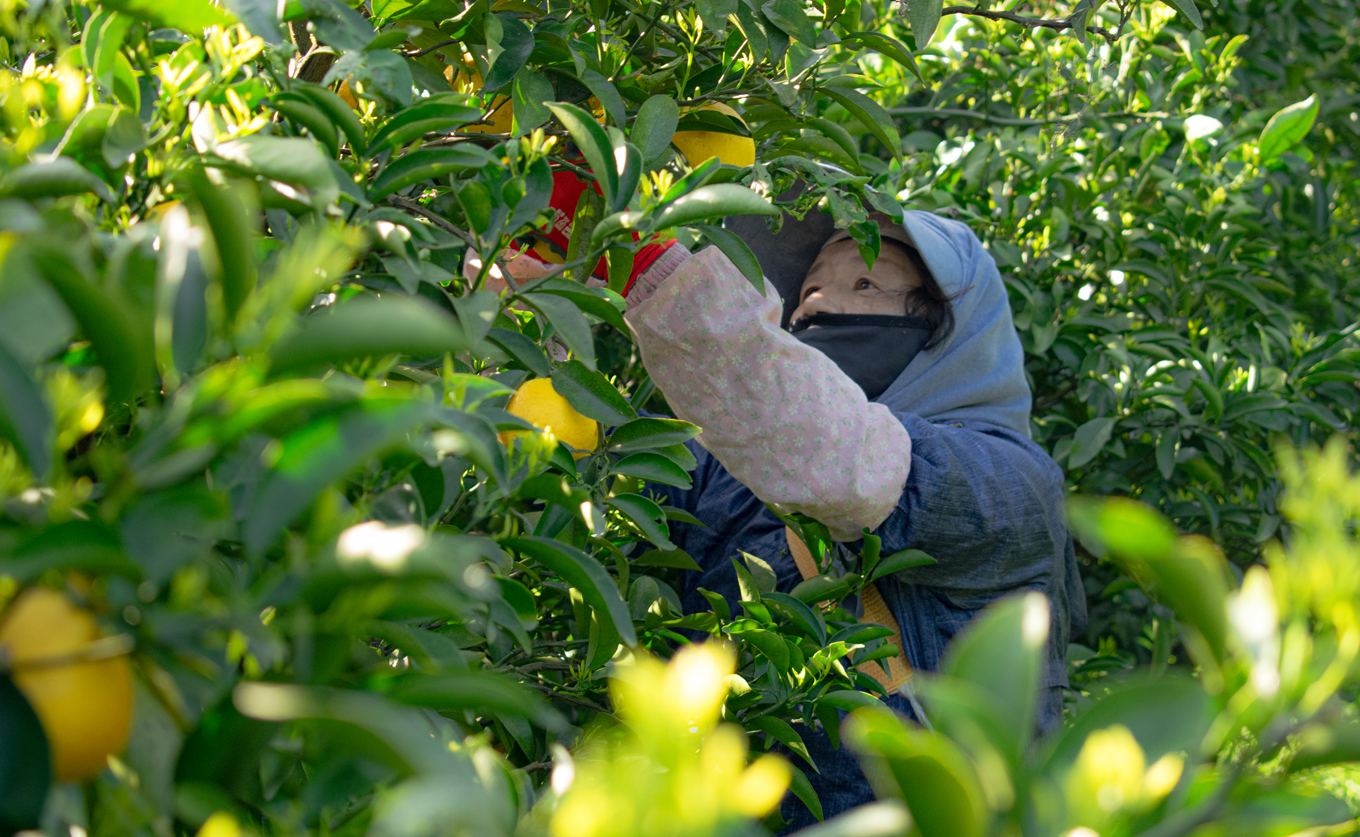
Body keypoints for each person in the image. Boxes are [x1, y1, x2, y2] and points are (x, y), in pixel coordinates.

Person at [476, 177, 1086, 829]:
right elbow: (579, 520)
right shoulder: (712, 464)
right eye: (809, 290)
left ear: (950, 332)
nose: (819, 301)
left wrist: (653, 271)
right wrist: (537, 320)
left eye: (864, 285)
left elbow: (845, 465)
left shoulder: (1011, 483)